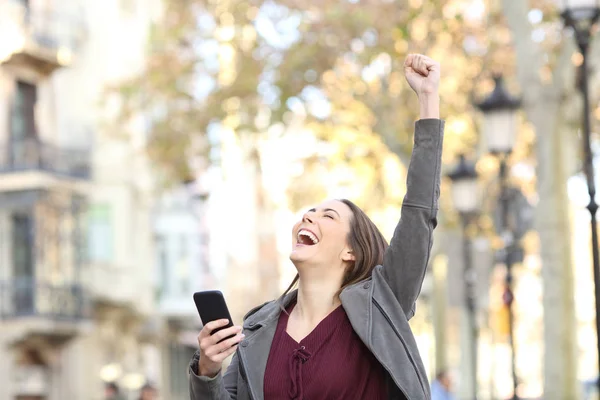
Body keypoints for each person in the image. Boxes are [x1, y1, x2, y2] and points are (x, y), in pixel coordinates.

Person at [189, 53, 444, 400]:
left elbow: (418, 216)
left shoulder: (382, 303)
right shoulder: (259, 326)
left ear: (350, 250)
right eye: (309, 211)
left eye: (328, 216)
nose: (308, 217)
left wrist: (429, 100)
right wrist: (207, 371)